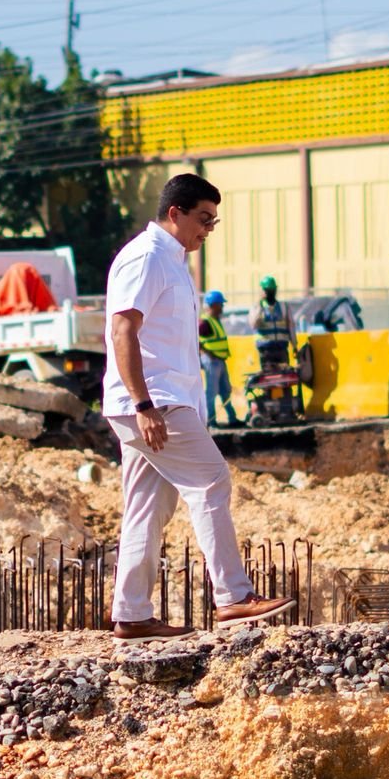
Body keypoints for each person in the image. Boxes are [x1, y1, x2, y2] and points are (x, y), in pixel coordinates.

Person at [103, 173, 295, 643]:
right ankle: (233, 595)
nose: (208, 230)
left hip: (160, 400)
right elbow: (122, 331)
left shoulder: (172, 263)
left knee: (148, 506)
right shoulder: (147, 258)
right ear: (175, 213)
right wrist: (145, 404)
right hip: (153, 401)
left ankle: (131, 614)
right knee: (210, 479)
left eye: (214, 221)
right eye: (203, 220)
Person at [198, 289, 240, 429]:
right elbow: (192, 339)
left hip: (220, 361)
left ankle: (232, 418)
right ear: (214, 305)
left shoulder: (215, 321)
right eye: (220, 304)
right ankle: (211, 421)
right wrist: (205, 353)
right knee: (211, 393)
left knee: (225, 390)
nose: (222, 307)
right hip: (211, 362)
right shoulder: (205, 322)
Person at [252, 275, 294, 370]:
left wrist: (294, 345)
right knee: (269, 381)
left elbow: (291, 327)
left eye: (272, 290)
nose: (270, 293)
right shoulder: (257, 307)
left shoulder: (284, 307)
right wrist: (260, 304)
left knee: (285, 380)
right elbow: (254, 324)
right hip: (266, 351)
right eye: (267, 290)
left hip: (281, 349)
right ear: (263, 291)